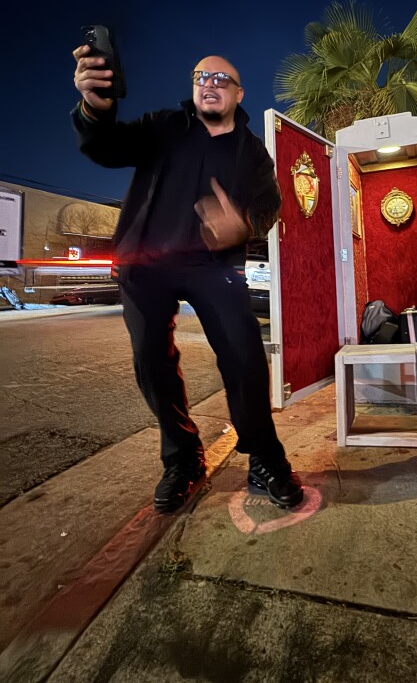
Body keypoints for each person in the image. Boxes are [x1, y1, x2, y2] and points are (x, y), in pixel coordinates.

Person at [71, 45, 303, 513]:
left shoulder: (253, 155)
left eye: (221, 79)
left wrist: (244, 226)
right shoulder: (163, 126)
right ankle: (182, 457)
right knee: (151, 363)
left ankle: (264, 456)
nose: (210, 84)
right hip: (147, 264)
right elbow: (107, 146)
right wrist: (96, 103)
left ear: (239, 94)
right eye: (202, 76)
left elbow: (268, 209)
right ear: (193, 88)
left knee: (244, 359)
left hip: (213, 268)